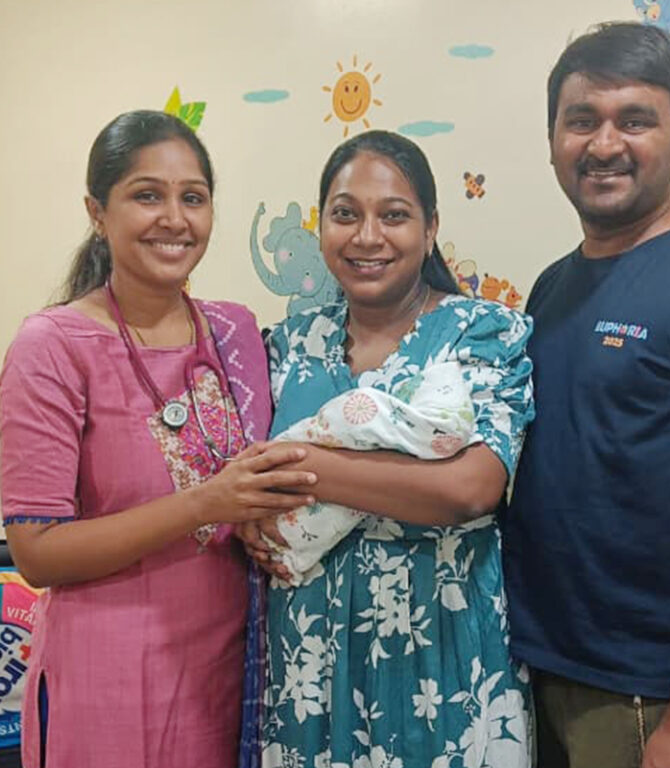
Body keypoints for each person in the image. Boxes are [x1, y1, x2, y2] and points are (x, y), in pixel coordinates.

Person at [0, 110, 318, 768]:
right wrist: (206, 503)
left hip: (228, 679)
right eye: (147, 195)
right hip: (105, 686)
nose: (175, 219)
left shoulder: (233, 333)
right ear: (97, 212)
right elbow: (36, 552)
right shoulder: (52, 346)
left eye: (193, 198)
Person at [504, 22, 670, 768]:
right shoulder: (552, 287)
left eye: (635, 120)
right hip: (539, 669)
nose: (604, 143)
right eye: (582, 119)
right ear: (552, 139)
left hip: (654, 693)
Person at [237, 130, 536, 768]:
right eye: (345, 214)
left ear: (430, 229)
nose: (367, 236)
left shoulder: (480, 332)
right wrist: (249, 515)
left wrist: (303, 466)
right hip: (307, 660)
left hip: (442, 652)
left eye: (394, 215)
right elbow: (244, 480)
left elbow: (468, 490)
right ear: (322, 226)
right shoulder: (286, 346)